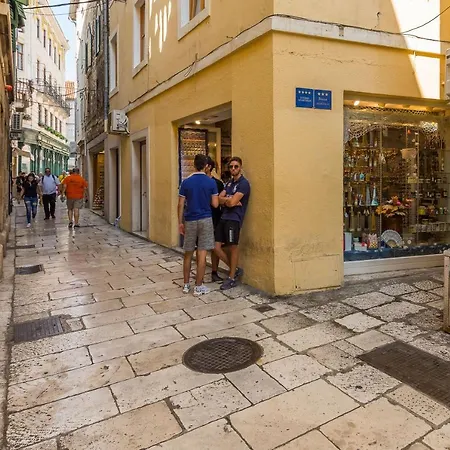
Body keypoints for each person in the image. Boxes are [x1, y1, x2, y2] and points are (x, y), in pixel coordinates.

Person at [178, 154, 219, 296]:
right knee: (202, 253)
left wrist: (180, 222)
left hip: (190, 220)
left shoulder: (186, 182)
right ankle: (198, 286)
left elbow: (180, 204)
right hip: (205, 219)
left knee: (188, 253)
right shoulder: (211, 182)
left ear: (194, 165)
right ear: (206, 166)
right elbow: (215, 204)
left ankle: (185, 284)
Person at [214, 157, 251, 290]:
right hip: (224, 217)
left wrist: (228, 200)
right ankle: (234, 269)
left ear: (240, 168)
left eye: (236, 166)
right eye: (231, 167)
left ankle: (231, 278)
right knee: (215, 246)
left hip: (234, 219)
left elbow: (231, 202)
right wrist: (229, 200)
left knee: (232, 247)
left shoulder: (243, 184)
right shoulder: (229, 183)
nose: (233, 169)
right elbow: (218, 199)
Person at [205, 156, 224, 282]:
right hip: (204, 216)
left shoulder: (218, 183)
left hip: (215, 216)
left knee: (214, 244)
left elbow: (220, 201)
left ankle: (214, 271)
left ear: (209, 167)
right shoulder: (198, 181)